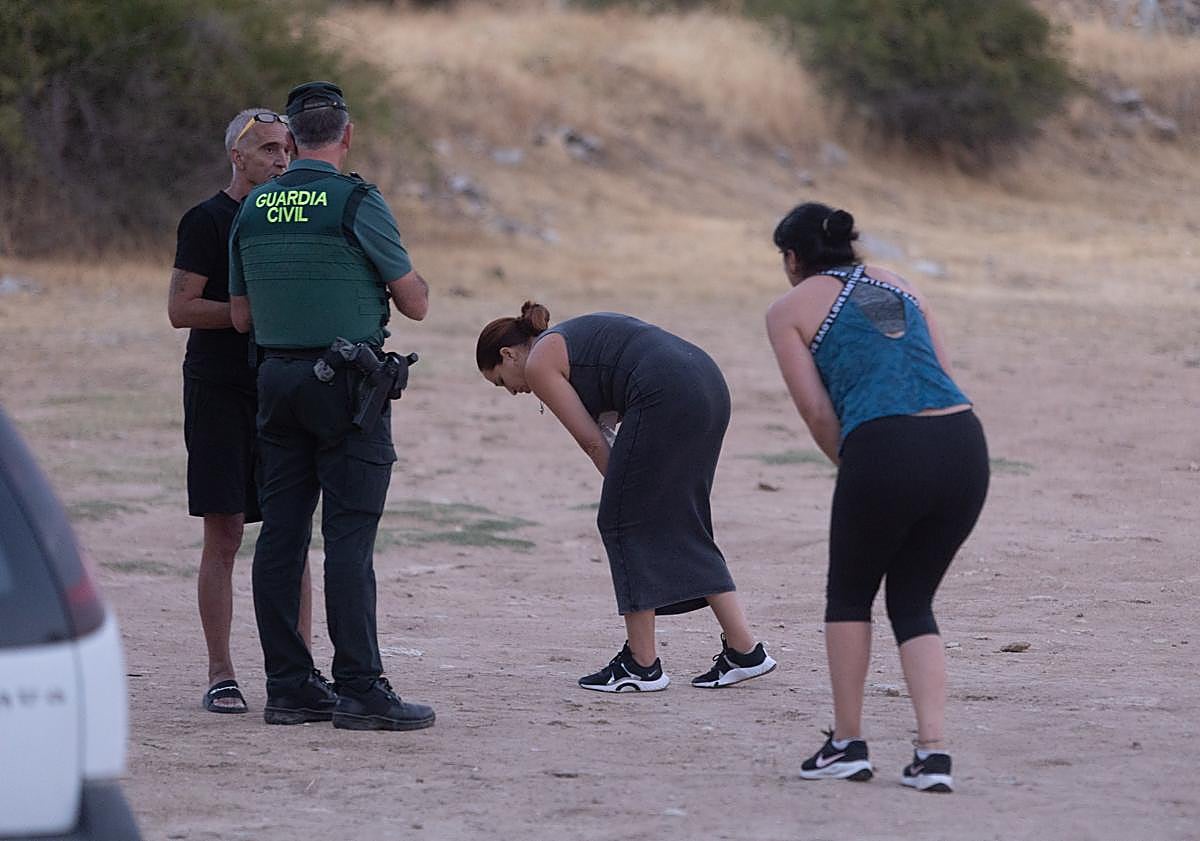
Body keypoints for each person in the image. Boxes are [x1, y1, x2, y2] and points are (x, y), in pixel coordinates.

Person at [229, 80, 435, 732]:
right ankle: (361, 688)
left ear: (289, 140)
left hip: (276, 381)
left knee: (281, 536)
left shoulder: (253, 207)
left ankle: (289, 686)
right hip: (347, 387)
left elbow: (240, 316)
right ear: (346, 135)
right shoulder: (356, 200)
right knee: (349, 538)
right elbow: (415, 302)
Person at [764, 202, 989, 792]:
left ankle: (847, 744)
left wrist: (863, 468)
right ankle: (933, 754)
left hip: (885, 446)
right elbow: (942, 373)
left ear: (793, 258)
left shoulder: (788, 309)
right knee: (913, 601)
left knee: (849, 596)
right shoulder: (901, 285)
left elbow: (818, 413)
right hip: (964, 445)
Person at [476, 302, 777, 692]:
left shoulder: (538, 363)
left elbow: (591, 441)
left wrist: (628, 499)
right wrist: (641, 494)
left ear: (508, 354)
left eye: (500, 381)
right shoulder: (568, 342)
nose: (513, 391)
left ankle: (641, 664)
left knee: (622, 521)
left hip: (668, 391)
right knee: (679, 520)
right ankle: (744, 650)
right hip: (707, 382)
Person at [169, 107, 315, 715]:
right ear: (238, 156)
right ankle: (221, 673)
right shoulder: (207, 219)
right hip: (219, 390)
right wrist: (242, 314)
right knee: (224, 531)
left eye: (287, 150)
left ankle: (301, 672)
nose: (281, 161)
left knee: (291, 532)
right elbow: (180, 309)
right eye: (268, 150)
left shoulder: (294, 216)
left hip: (280, 388)